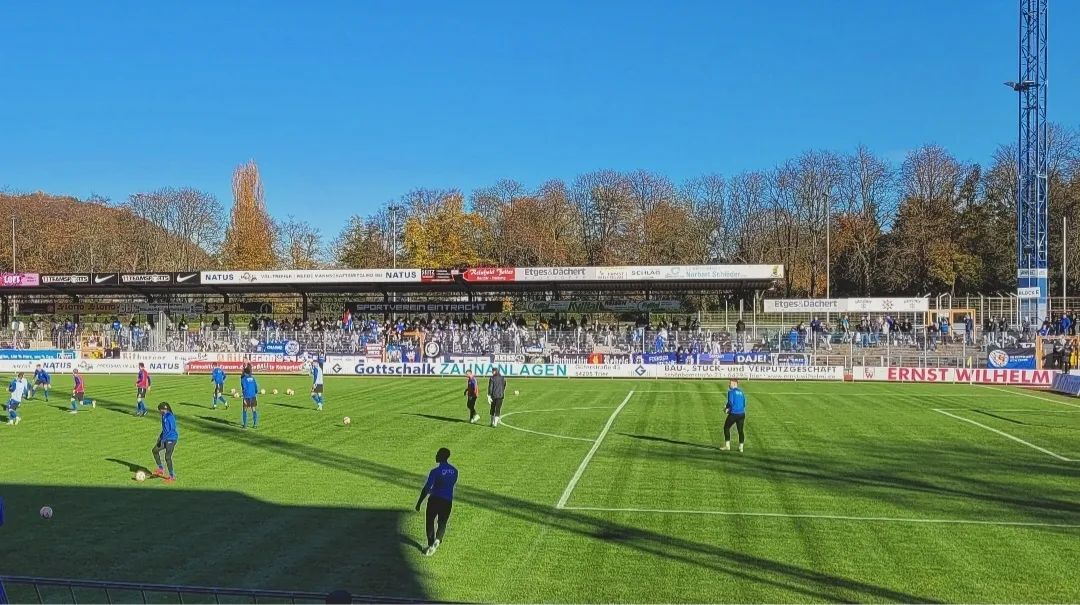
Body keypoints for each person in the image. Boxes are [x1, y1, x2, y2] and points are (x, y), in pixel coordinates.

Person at [415, 447, 458, 557]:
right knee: (442, 522)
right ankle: (438, 540)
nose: (436, 455)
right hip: (447, 500)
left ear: (441, 456)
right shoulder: (454, 471)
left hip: (434, 499)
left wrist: (419, 502)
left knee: (430, 521)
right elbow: (449, 485)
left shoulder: (435, 471)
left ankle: (430, 545)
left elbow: (427, 487)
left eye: (437, 454)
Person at [152, 402, 179, 483]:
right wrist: (160, 437)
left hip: (171, 438)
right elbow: (164, 429)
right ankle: (161, 469)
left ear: (163, 409)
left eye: (159, 410)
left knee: (167, 457)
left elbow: (171, 429)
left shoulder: (170, 416)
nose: (159, 412)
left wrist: (163, 439)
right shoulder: (164, 416)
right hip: (165, 438)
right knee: (155, 450)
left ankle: (172, 476)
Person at [721, 379, 747, 452]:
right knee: (740, 430)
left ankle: (727, 446)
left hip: (734, 414)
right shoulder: (741, 392)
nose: (729, 385)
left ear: (734, 384)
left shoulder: (731, 392)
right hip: (742, 414)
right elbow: (744, 403)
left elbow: (730, 402)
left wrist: (726, 409)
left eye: (730, 383)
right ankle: (741, 447)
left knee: (726, 427)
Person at [240, 364, 259, 430]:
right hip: (253, 396)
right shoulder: (253, 378)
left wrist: (243, 395)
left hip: (247, 396)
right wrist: (255, 392)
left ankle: (245, 425)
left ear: (245, 372)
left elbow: (244, 388)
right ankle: (255, 424)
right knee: (253, 409)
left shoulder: (243, 379)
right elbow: (256, 387)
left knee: (245, 410)